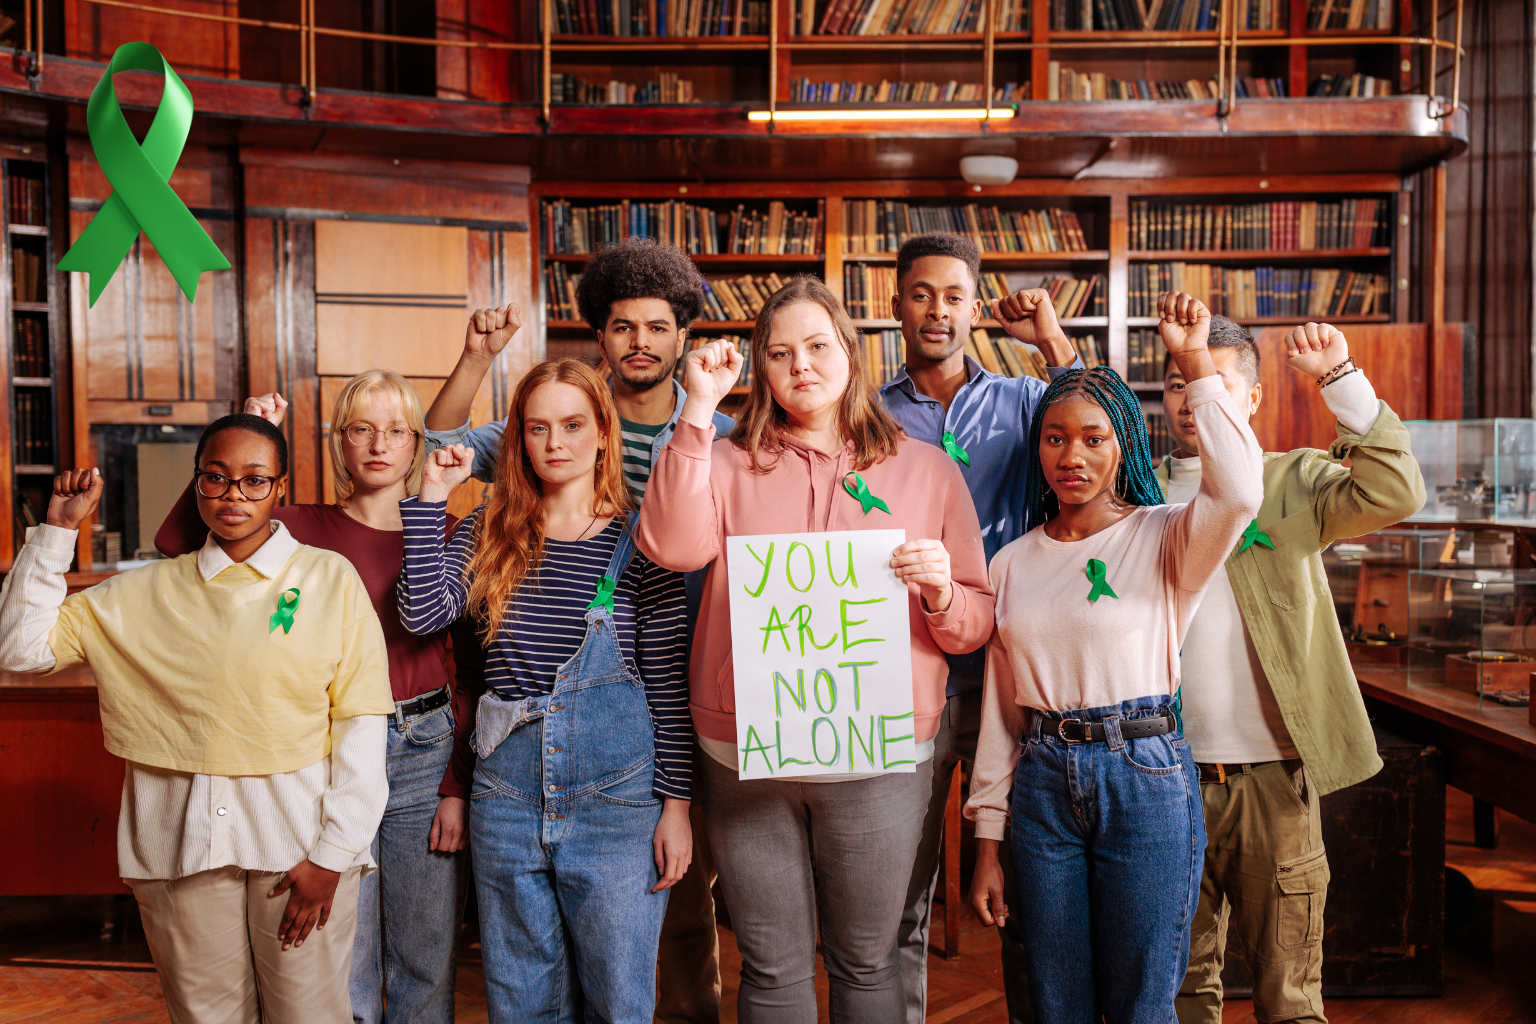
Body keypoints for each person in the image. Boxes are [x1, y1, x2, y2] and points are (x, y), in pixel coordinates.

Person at [637, 274, 996, 1023]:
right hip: (745, 751)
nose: (800, 365)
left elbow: (971, 625)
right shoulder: (725, 461)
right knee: (770, 968)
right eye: (779, 353)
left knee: (868, 961)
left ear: (850, 353)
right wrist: (698, 409)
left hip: (880, 754)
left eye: (817, 346)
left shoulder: (926, 469)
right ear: (760, 369)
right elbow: (670, 547)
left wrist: (939, 591)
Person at [424, 237, 733, 1024]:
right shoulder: (549, 419)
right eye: (623, 327)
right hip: (522, 753)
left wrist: (674, 798)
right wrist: (473, 360)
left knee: (672, 920)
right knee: (530, 973)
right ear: (600, 338)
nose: (639, 341)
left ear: (681, 337)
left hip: (669, 694)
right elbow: (437, 453)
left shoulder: (714, 437)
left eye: (656, 327)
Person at [0, 414, 394, 1024]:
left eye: (255, 480)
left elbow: (362, 724)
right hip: (180, 842)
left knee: (309, 1016)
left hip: (296, 843)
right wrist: (56, 530)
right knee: (206, 1018)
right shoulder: (141, 592)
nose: (235, 494)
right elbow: (22, 650)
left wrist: (334, 855)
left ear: (279, 488)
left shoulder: (327, 579)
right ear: (197, 484)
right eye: (217, 478)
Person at [966, 292, 1263, 1024]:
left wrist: (1195, 361)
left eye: (1095, 439)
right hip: (1039, 782)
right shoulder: (1009, 563)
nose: (1073, 456)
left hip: (1145, 775)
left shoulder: (1167, 537)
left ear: (1123, 444)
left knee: (1142, 1002)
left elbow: (1242, 490)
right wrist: (987, 839)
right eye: (1056, 438)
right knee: (1054, 1001)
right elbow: (1001, 717)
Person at [154, 370, 472, 1024]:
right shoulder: (292, 527)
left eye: (395, 431)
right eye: (361, 429)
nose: (378, 445)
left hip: (423, 749)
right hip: (322, 752)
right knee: (338, 946)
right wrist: (250, 433)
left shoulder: (445, 529)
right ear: (338, 444)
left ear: (417, 445)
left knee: (425, 947)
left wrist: (456, 784)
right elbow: (175, 542)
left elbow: (468, 664)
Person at [399, 358, 694, 1024]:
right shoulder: (486, 530)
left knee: (618, 1002)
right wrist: (427, 501)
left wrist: (676, 805)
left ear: (602, 433)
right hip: (505, 796)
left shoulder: (643, 541)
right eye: (536, 428)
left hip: (619, 801)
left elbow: (668, 683)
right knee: (524, 1000)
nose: (554, 443)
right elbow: (421, 614)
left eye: (571, 424)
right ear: (518, 441)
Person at [1159, 318, 1425, 1024]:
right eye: (1180, 382)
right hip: (1161, 779)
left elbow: (1395, 493)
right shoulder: (1136, 491)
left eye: (1216, 384)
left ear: (1251, 400)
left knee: (1290, 992)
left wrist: (1341, 378)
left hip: (1272, 779)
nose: (1194, 398)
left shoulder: (1296, 479)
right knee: (1179, 987)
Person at [877, 232, 1082, 1024]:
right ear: (896, 304)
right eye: (922, 293)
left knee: (1031, 885)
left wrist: (1051, 340)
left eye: (954, 295)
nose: (937, 309)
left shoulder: (1028, 401)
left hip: (1017, 669)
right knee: (902, 887)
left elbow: (1110, 423)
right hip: (908, 668)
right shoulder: (870, 414)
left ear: (973, 306)